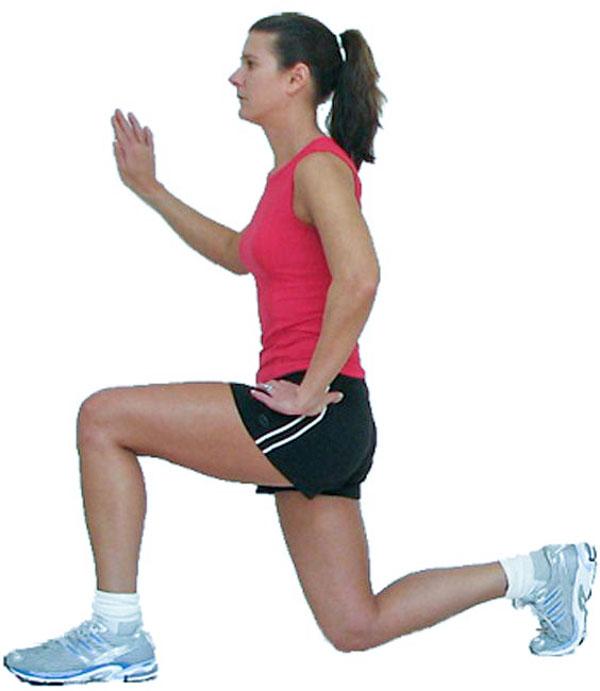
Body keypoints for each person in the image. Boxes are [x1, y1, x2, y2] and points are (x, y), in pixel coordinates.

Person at [4, 11, 596, 685]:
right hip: (324, 417)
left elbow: (361, 276)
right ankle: (541, 571)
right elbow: (237, 253)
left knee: (103, 418)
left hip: (314, 407)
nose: (234, 77)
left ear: (296, 78)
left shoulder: (318, 169)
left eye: (249, 63)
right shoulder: (289, 176)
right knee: (355, 623)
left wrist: (311, 390)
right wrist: (152, 190)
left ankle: (115, 631)